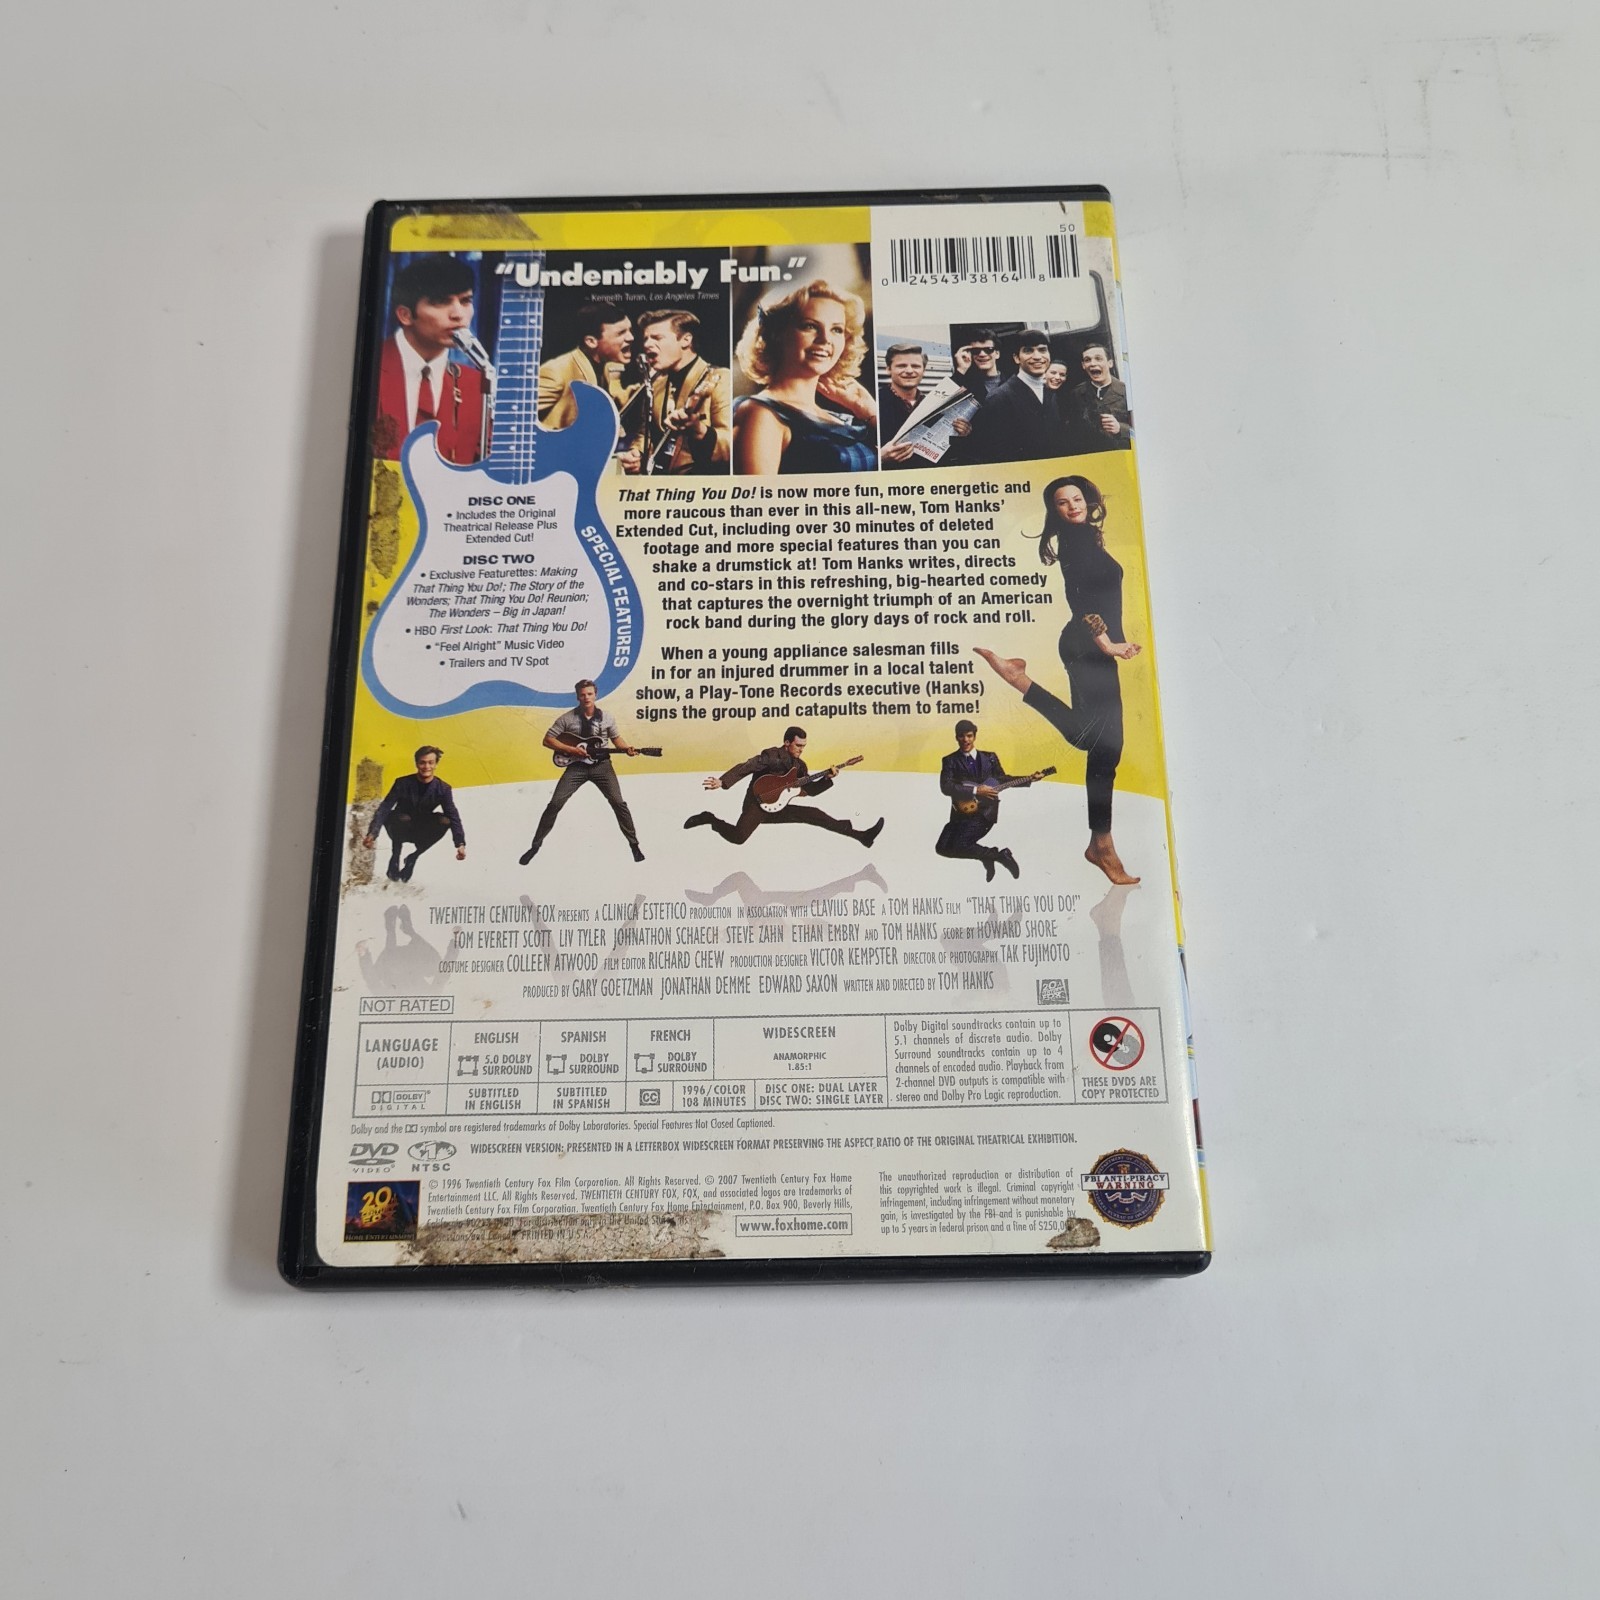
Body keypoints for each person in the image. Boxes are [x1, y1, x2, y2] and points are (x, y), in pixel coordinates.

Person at [974, 475, 1141, 885]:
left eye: (1077, 498)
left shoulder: (1083, 537)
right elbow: (1081, 601)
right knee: (1102, 748)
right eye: (1063, 502)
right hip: (1087, 647)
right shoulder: (1075, 542)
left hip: (1089, 648)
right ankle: (1101, 846)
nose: (1072, 506)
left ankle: (1020, 679)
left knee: (1098, 744)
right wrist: (1107, 644)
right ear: (1056, 511)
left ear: (1087, 500)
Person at [731, 279, 877, 474]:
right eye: (810, 326)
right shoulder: (760, 414)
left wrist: (868, 410)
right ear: (776, 334)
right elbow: (756, 494)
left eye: (836, 329)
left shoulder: (843, 418)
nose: (825, 339)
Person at [684, 728, 883, 849]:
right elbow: (748, 766)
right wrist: (723, 781)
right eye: (798, 745)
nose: (801, 749)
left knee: (815, 814)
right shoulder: (771, 755)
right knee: (739, 837)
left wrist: (827, 779)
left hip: (778, 807)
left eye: (804, 746)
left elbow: (809, 791)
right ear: (787, 743)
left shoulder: (800, 766)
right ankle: (709, 818)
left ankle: (862, 836)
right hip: (757, 805)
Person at [373, 258, 489, 465]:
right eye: (441, 302)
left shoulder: (477, 384)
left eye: (465, 301)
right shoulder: (371, 368)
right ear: (405, 315)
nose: (458, 315)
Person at [519, 680, 645, 863]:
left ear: (596, 695)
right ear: (577, 696)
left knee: (619, 803)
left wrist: (627, 749)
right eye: (583, 694)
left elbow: (616, 738)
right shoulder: (566, 719)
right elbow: (548, 740)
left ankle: (634, 845)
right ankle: (535, 846)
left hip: (602, 766)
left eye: (590, 694)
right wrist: (571, 750)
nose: (586, 698)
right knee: (555, 804)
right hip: (576, 767)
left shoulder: (607, 717)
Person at [537, 300, 642, 468]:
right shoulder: (556, 372)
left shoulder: (605, 369)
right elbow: (520, 423)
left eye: (629, 330)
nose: (631, 337)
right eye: (621, 333)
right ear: (591, 341)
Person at [936, 719, 1043, 881]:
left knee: (960, 844)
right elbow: (946, 787)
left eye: (969, 736)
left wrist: (1029, 778)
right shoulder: (950, 760)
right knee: (942, 847)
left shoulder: (990, 757)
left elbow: (1002, 779)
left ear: (974, 736)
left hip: (984, 813)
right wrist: (975, 790)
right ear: (956, 737)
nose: (965, 740)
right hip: (960, 814)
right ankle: (992, 855)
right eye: (961, 736)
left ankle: (998, 856)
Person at [632, 309, 731, 474]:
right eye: (646, 339)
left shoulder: (720, 378)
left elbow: (731, 445)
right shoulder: (655, 385)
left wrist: (700, 431)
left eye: (657, 338)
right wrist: (637, 454)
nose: (647, 344)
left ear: (686, 340)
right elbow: (644, 435)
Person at [958, 328, 1071, 466]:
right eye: (1028, 350)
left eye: (1042, 350)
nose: (1037, 356)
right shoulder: (998, 398)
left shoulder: (1050, 394)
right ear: (1016, 358)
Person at [363, 746, 467, 882]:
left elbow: (453, 815)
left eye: (430, 762)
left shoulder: (443, 788)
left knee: (445, 821)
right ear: (416, 763)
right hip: (399, 825)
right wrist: (372, 834)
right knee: (402, 818)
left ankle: (413, 857)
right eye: (422, 762)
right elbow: (385, 808)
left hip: (421, 828)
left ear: (436, 764)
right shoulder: (402, 783)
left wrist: (460, 844)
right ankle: (395, 857)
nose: (426, 767)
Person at [1062, 342, 1133, 450]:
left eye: (1098, 358)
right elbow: (1071, 430)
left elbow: (1143, 428)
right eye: (1087, 360)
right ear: (1083, 365)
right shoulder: (1076, 394)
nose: (1092, 363)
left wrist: (1120, 428)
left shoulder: (1126, 391)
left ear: (1110, 363)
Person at [951, 329, 1005, 403]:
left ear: (997, 354)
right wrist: (961, 369)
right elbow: (940, 402)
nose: (982, 354)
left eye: (988, 350)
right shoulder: (966, 383)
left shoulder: (1011, 382)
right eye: (976, 351)